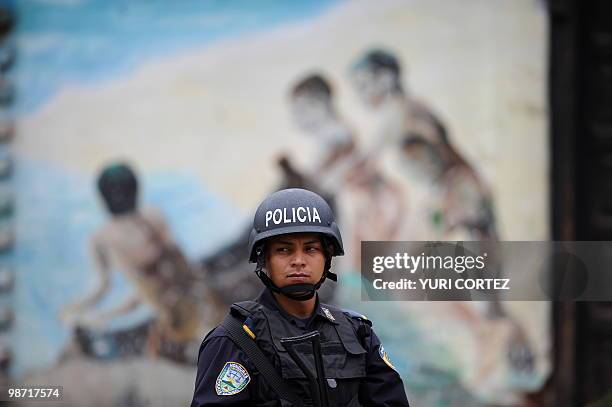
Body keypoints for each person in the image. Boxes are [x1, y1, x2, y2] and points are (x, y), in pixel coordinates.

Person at [191, 188, 410, 406]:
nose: (298, 260)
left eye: (311, 249)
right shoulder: (234, 339)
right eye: (284, 250)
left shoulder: (358, 334)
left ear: (327, 257)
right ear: (264, 259)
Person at [60, 162, 218, 363]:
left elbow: (167, 276)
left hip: (186, 316)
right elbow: (133, 287)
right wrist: (81, 309)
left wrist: (95, 313)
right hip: (185, 311)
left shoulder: (112, 234)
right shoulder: (118, 232)